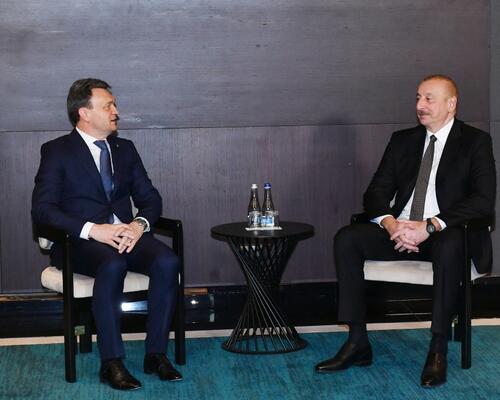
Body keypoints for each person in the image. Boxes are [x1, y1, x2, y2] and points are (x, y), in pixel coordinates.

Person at [314, 75, 496, 387]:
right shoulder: (403, 141)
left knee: (450, 243)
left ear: (451, 104)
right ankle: (357, 342)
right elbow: (375, 193)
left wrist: (429, 226)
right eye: (417, 98)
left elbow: (482, 200)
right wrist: (391, 225)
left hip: (445, 233)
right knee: (347, 238)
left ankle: (438, 348)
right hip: (400, 231)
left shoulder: (475, 141)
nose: (420, 105)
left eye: (428, 99)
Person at [32, 78, 182, 391]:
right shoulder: (57, 151)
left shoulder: (125, 149)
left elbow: (150, 198)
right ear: (84, 113)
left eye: (114, 104)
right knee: (112, 264)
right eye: (108, 106)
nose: (116, 111)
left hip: (126, 236)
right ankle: (111, 361)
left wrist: (138, 226)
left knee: (167, 261)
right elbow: (43, 210)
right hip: (80, 242)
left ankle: (155, 354)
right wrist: (93, 230)